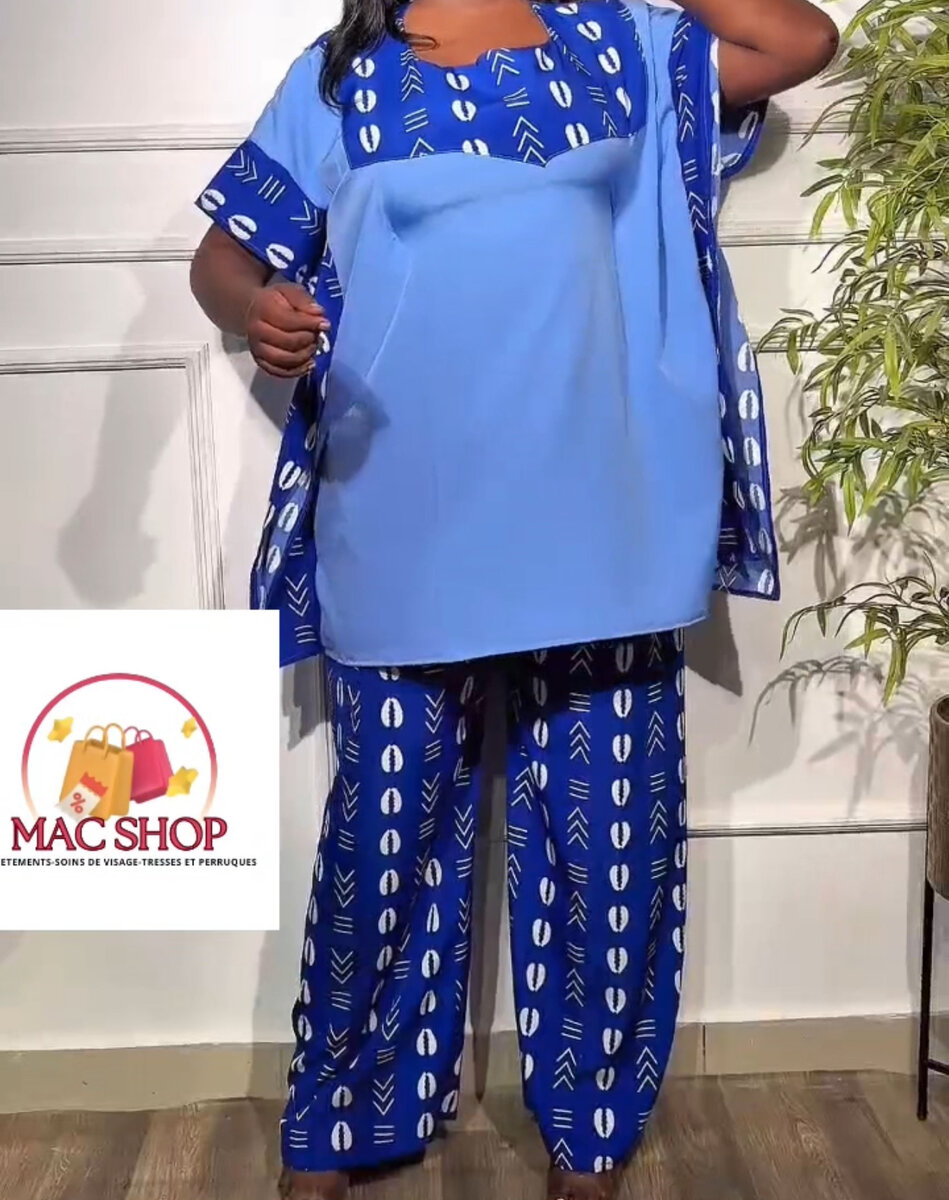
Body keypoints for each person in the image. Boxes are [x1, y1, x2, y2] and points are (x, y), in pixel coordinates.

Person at [190, 0, 838, 1196]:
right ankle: (340, 1116)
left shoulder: (621, 42)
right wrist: (254, 311)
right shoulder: (341, 76)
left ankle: (590, 1130)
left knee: (610, 846)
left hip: (600, 519)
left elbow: (799, 44)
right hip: (403, 514)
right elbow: (224, 256)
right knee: (381, 839)